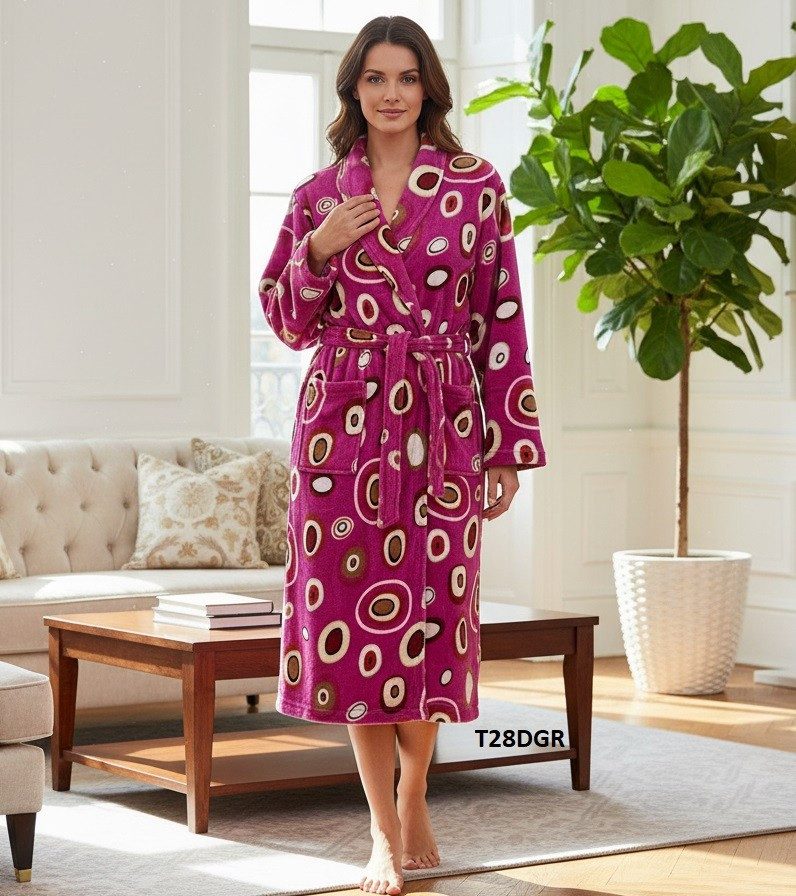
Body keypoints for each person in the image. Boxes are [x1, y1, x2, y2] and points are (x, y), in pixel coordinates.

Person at [258, 15, 547, 895]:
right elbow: (286, 320)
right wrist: (319, 250)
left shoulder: (475, 186)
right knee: (353, 632)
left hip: (444, 424)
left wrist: (506, 447)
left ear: (429, 89)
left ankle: (415, 791)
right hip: (341, 431)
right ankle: (381, 833)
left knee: (435, 620)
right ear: (353, 87)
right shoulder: (318, 197)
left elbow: (501, 321)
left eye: (408, 77)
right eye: (376, 77)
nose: (391, 93)